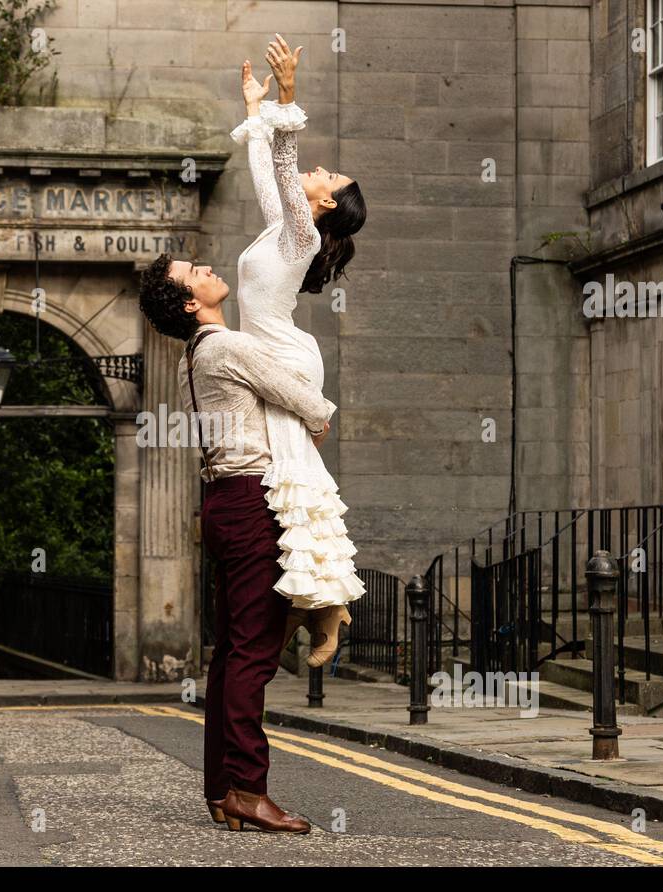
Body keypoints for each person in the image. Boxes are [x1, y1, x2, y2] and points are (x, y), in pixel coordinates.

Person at [138, 251, 330, 834]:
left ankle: (222, 787)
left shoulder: (189, 360)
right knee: (253, 652)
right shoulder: (227, 346)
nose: (206, 268)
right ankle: (248, 788)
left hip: (222, 503)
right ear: (191, 303)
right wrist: (318, 418)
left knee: (229, 652)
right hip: (251, 501)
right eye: (193, 272)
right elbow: (306, 400)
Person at [232, 36, 367, 668]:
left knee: (296, 481)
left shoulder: (303, 233)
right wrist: (256, 109)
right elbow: (270, 175)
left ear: (327, 202)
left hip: (280, 357)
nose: (320, 170)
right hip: (276, 350)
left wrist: (288, 97)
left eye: (329, 175)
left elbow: (286, 171)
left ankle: (326, 612)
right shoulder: (283, 229)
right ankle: (314, 606)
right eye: (322, 168)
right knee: (292, 483)